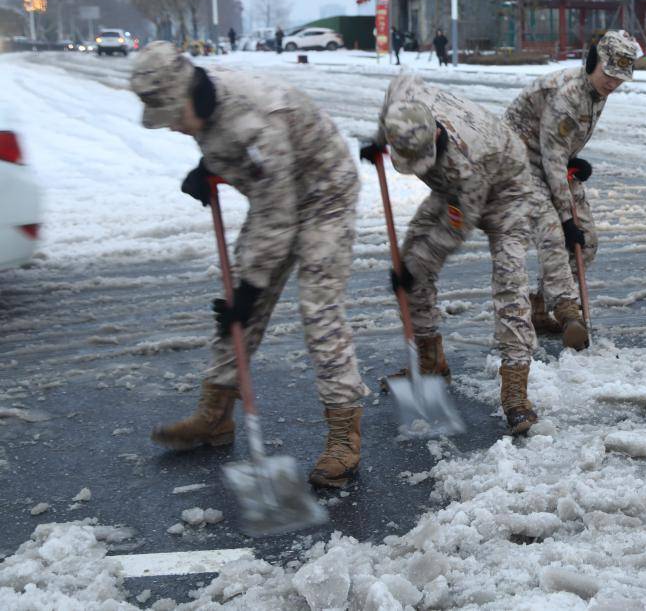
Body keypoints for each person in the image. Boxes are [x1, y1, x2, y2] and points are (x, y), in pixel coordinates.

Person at [129, 42, 369, 488]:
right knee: (240, 306)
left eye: (175, 119)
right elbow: (260, 190)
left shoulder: (257, 122)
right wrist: (208, 166)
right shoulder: (203, 101)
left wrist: (251, 288)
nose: (176, 129)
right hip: (275, 194)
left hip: (325, 195)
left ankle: (343, 434)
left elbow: (278, 214)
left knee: (318, 309)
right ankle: (215, 415)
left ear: (188, 98)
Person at [361, 74, 541, 434]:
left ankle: (516, 393)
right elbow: (401, 83)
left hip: (507, 191)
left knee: (509, 279)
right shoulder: (402, 97)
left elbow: (458, 226)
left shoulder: (468, 160)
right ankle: (429, 362)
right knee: (409, 259)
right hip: (452, 189)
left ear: (436, 138)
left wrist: (418, 265)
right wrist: (381, 140)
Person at [504, 30, 640, 349]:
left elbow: (561, 148)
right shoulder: (567, 95)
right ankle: (567, 310)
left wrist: (576, 161)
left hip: (553, 159)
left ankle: (538, 307)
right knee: (555, 233)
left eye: (620, 79)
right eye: (608, 75)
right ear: (593, 62)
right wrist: (566, 219)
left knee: (587, 241)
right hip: (520, 161)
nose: (613, 83)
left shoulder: (596, 93)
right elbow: (551, 159)